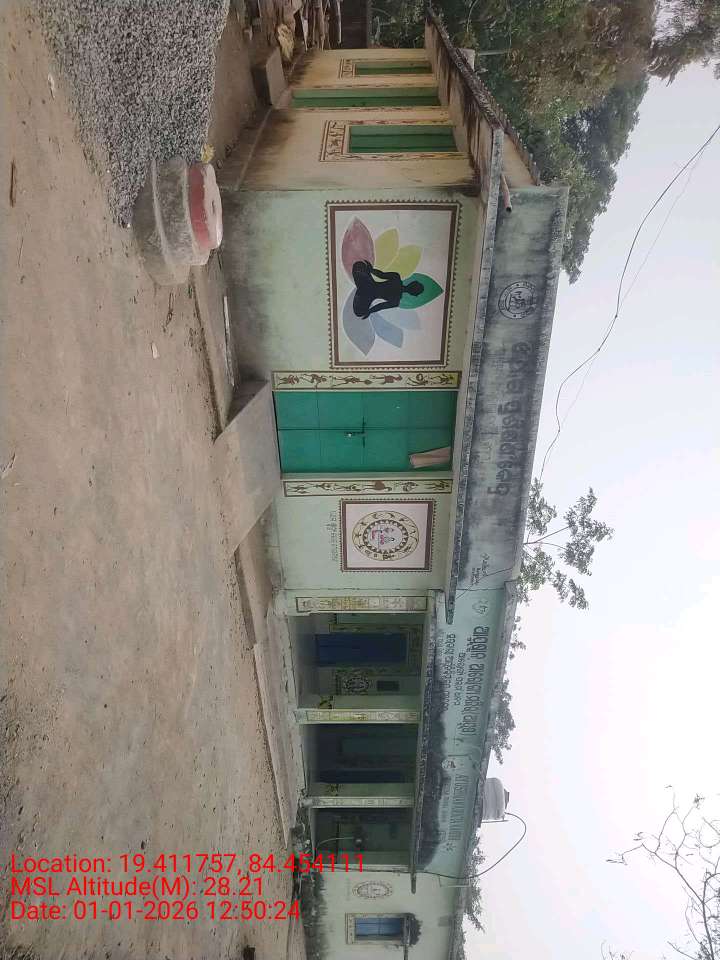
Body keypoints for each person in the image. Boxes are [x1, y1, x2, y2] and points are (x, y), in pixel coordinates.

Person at [352, 259, 424, 319]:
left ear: (412, 283)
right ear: (413, 294)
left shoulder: (396, 277)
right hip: (366, 294)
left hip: (368, 285)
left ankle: (361, 287)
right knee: (359, 312)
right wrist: (369, 311)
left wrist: (371, 270)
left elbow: (381, 275)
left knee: (359, 265)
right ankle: (361, 289)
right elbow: (380, 306)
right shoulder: (395, 301)